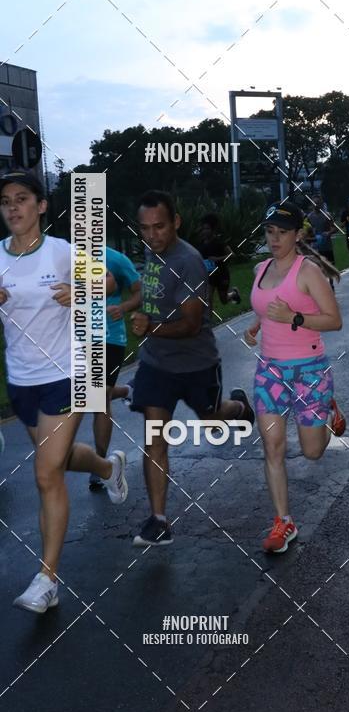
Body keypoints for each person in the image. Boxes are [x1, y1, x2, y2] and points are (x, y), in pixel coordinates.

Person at [0, 170, 127, 613]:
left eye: (21, 199)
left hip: (66, 374)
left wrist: (79, 290)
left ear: (40, 206)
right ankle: (109, 468)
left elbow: (109, 283)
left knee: (44, 474)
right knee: (58, 459)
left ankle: (47, 580)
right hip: (21, 380)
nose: (12, 207)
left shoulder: (61, 252)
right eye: (5, 201)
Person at [130, 190, 253, 546]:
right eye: (145, 228)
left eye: (159, 227)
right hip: (156, 364)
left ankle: (239, 407)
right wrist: (127, 308)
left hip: (197, 362)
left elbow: (192, 324)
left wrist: (149, 326)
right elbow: (151, 292)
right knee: (155, 438)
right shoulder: (152, 253)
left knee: (213, 418)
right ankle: (159, 520)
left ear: (176, 223)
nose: (152, 235)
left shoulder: (188, 261)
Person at [245, 202, 345, 553]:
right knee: (272, 447)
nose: (274, 239)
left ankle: (327, 408)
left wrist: (294, 318)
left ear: (297, 234)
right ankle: (283, 522)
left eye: (282, 232)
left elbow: (334, 320)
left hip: (309, 370)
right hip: (270, 370)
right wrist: (257, 325)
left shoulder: (308, 271)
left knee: (312, 451)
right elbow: (266, 306)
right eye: (270, 231)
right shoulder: (260, 269)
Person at [89, 246, 141, 491]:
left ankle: (99, 466)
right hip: (73, 339)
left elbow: (140, 292)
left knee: (98, 399)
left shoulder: (116, 259)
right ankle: (126, 391)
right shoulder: (62, 255)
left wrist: (124, 307)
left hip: (109, 338)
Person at [195, 213, 241, 314]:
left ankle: (234, 294)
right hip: (209, 276)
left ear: (213, 230)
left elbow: (232, 255)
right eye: (203, 229)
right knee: (208, 299)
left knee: (223, 300)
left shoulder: (219, 243)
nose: (204, 231)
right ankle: (208, 324)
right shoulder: (201, 244)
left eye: (207, 229)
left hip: (221, 274)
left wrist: (218, 259)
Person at [306, 195, 336, 289]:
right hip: (315, 246)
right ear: (312, 204)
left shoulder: (327, 215)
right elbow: (307, 231)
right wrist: (309, 237)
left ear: (321, 204)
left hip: (327, 245)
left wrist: (328, 232)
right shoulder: (309, 217)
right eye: (314, 203)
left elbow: (335, 228)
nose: (316, 205)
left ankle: (330, 284)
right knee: (317, 267)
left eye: (318, 203)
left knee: (329, 265)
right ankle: (320, 285)